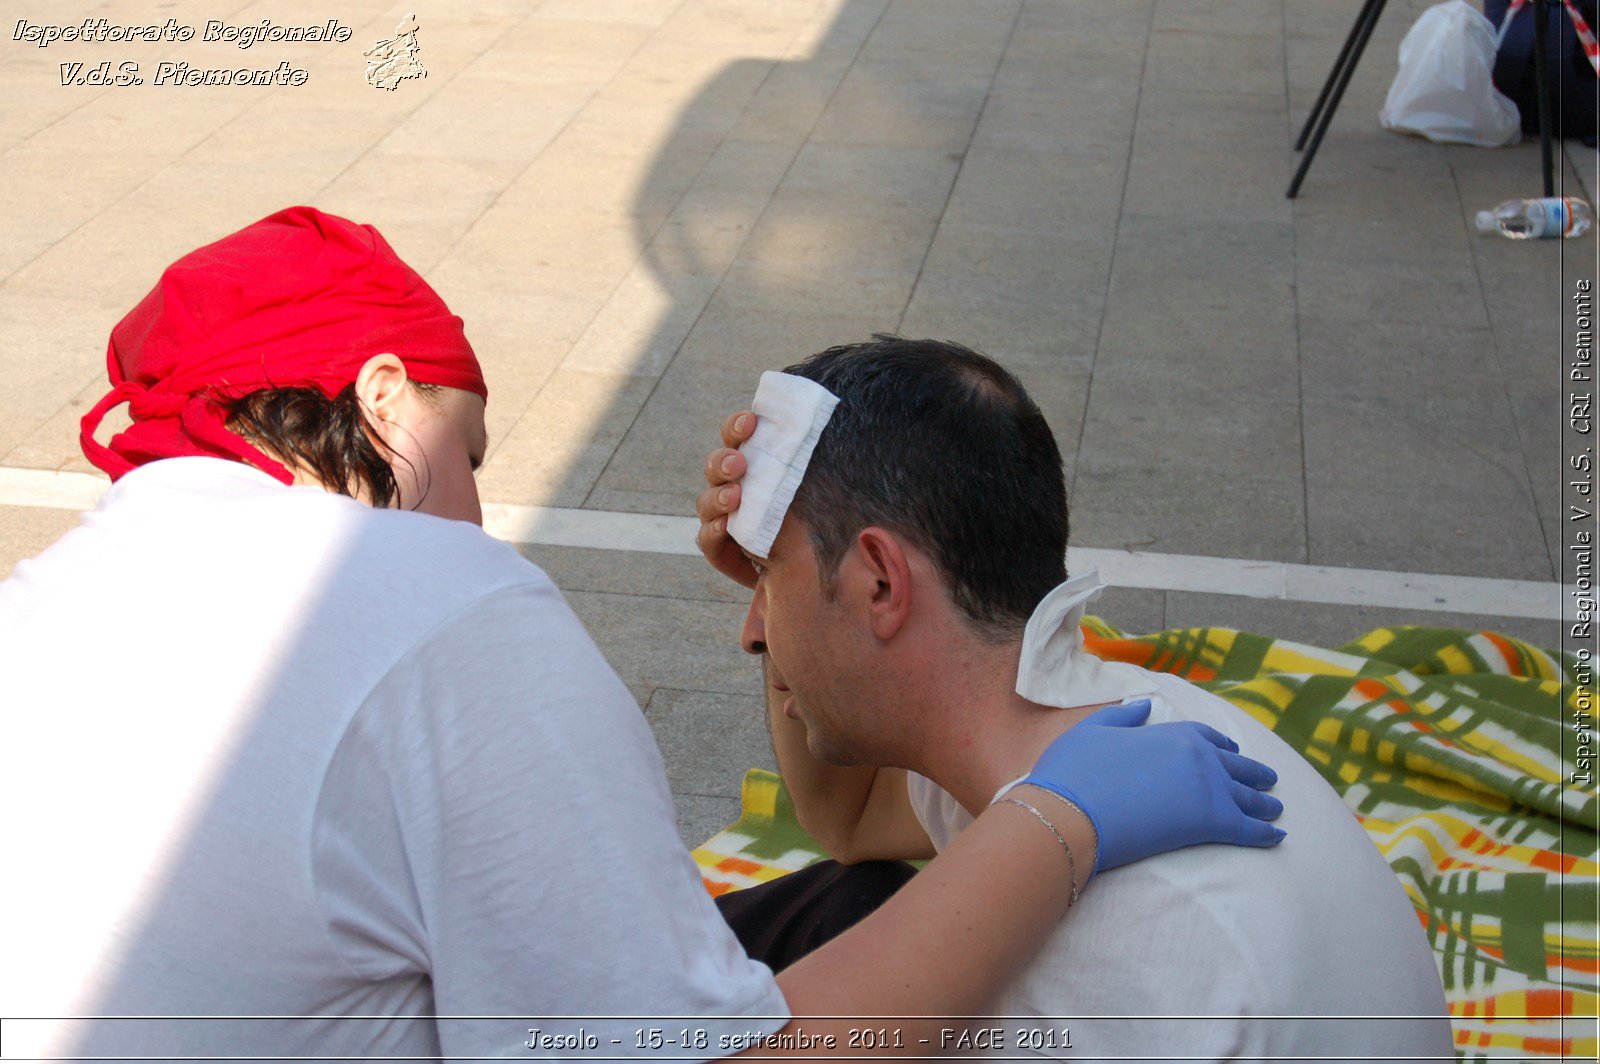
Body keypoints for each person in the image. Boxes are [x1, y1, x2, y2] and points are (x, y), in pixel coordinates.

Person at [0, 211, 1288, 1063]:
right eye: (471, 459)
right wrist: (1058, 825)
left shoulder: (51, 592)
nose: (478, 516)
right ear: (383, 397)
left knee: (842, 901)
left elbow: (851, 841)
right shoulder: (440, 601)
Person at [695, 336, 1456, 1061]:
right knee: (850, 900)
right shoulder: (1104, 722)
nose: (750, 631)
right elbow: (851, 822)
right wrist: (787, 609)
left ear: (882, 583)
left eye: (766, 576)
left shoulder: (1085, 977)